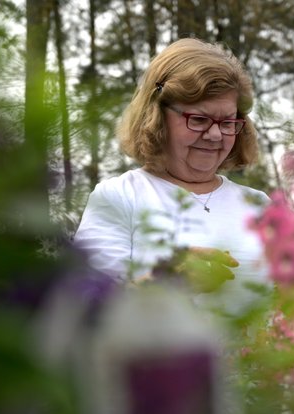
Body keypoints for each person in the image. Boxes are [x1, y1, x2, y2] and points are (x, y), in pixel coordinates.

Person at [73, 38, 271, 317]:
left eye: (227, 123)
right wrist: (163, 280)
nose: (215, 135)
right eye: (199, 119)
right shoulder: (119, 196)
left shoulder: (260, 205)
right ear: (157, 116)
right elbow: (85, 310)